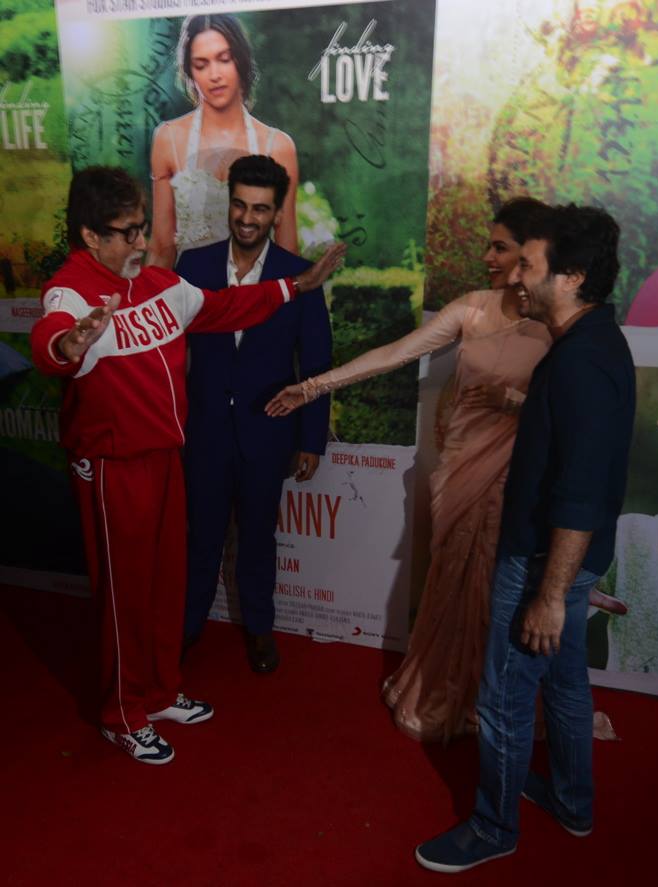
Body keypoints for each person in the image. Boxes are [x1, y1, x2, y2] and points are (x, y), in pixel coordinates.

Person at [30, 166, 343, 765]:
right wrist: (68, 346)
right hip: (113, 463)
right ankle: (121, 714)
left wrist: (293, 288)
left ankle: (158, 690)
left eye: (143, 227)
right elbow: (54, 337)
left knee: (163, 585)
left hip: (166, 457)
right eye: (126, 232)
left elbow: (227, 306)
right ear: (92, 237)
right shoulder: (70, 289)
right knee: (124, 598)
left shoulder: (154, 282)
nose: (141, 242)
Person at [267, 198, 553, 740]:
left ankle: (489, 699)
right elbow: (394, 353)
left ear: (531, 254)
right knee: (450, 582)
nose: (487, 256)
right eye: (489, 244)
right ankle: (445, 687)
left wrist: (513, 400)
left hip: (512, 480)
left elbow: (568, 410)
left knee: (494, 591)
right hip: (459, 469)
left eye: (500, 246)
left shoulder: (553, 326)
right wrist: (312, 387)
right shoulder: (472, 308)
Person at [414, 203, 635, 873]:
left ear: (568, 277)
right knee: (565, 684)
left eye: (530, 266)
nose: (516, 279)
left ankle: (492, 826)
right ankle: (571, 800)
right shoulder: (589, 342)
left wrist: (547, 592)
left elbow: (579, 494)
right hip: (561, 565)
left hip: (543, 566)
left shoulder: (579, 363)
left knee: (504, 697)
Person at [178, 154, 332, 673]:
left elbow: (315, 362)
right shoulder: (192, 266)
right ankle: (186, 626)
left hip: (267, 432)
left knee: (259, 538)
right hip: (204, 433)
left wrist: (311, 439)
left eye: (260, 209)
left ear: (277, 211)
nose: (247, 218)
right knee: (200, 536)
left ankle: (261, 630)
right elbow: (174, 357)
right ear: (230, 201)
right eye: (240, 204)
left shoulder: (299, 277)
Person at [148, 13, 298, 268]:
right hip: (191, 299)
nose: (214, 74)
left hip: (254, 300)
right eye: (201, 64)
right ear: (189, 72)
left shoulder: (278, 146)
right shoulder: (168, 139)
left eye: (223, 59)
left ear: (240, 60)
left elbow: (287, 250)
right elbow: (162, 247)